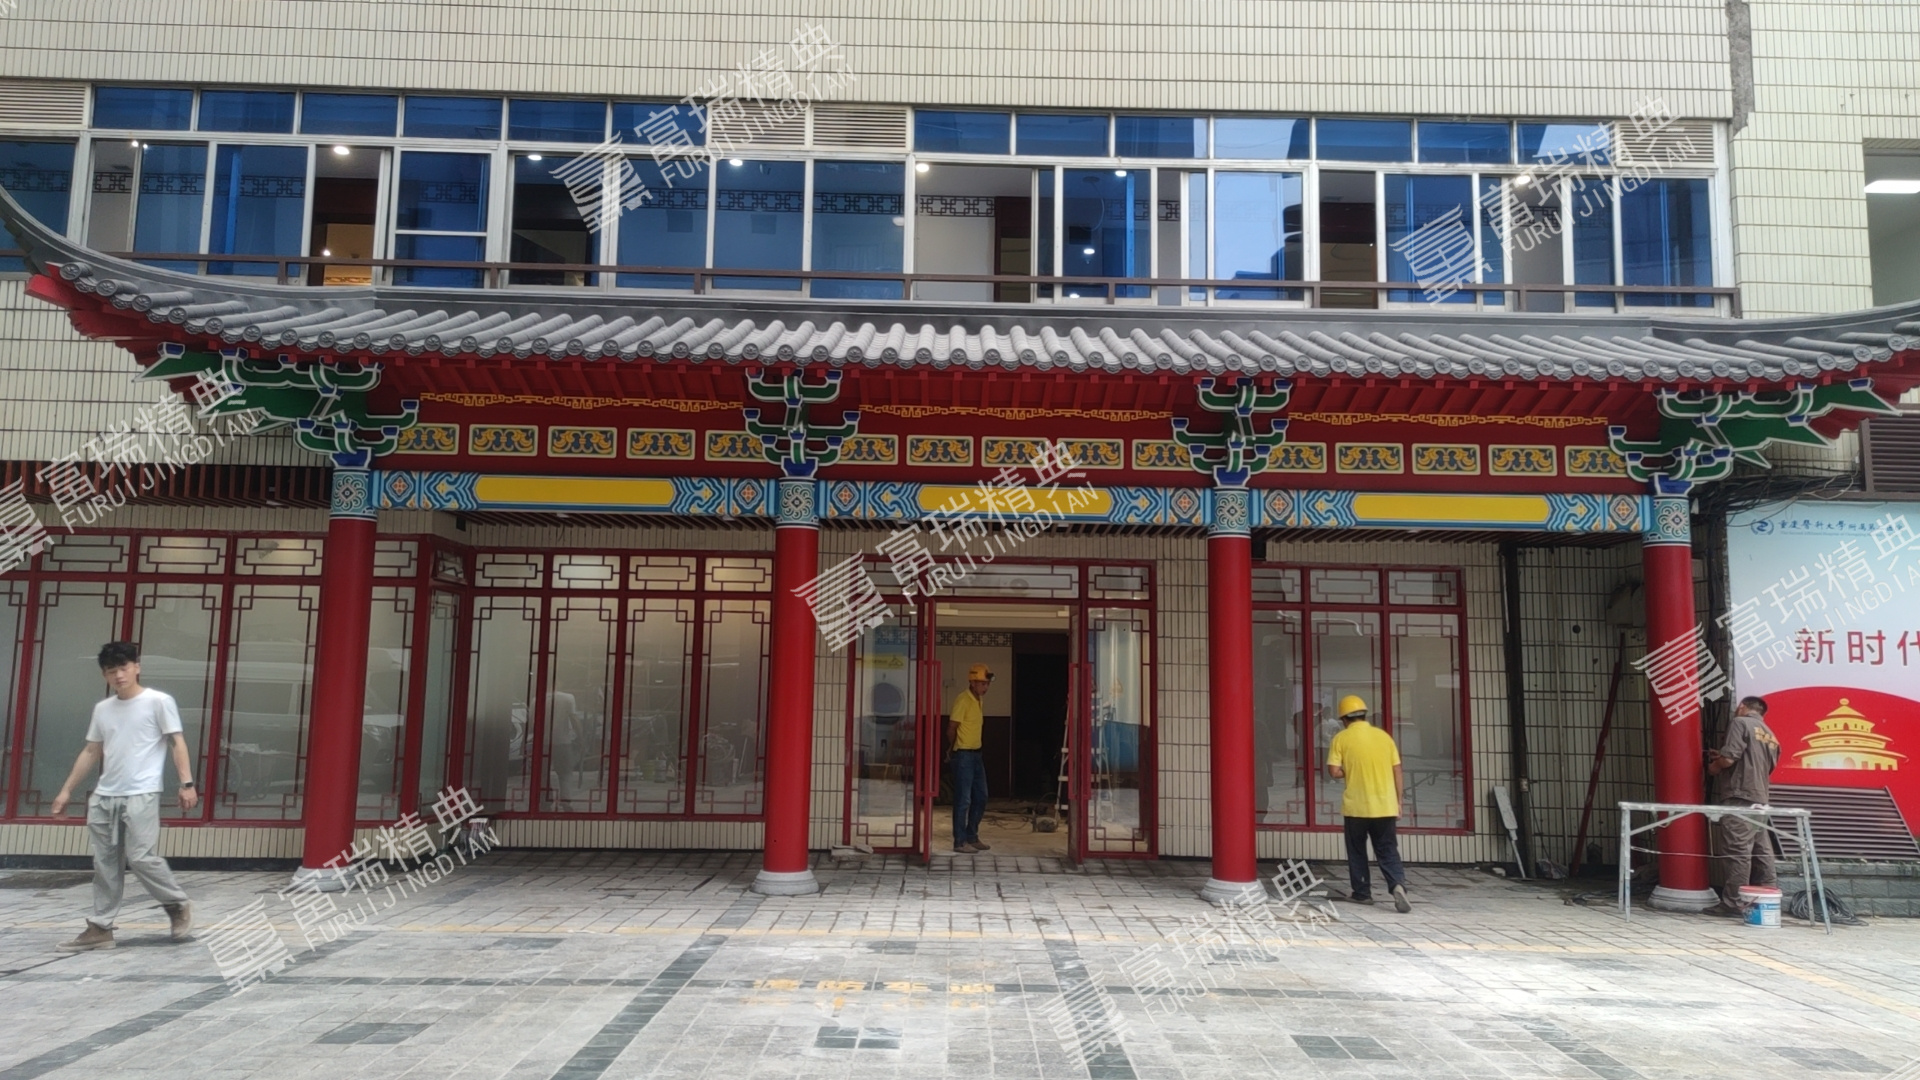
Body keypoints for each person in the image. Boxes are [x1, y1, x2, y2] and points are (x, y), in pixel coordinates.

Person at [49, 641, 196, 951]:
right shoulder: (103, 709)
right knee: (105, 864)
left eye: (123, 668)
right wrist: (66, 791)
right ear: (104, 674)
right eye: (111, 670)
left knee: (141, 857)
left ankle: (176, 903)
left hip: (142, 792)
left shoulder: (158, 701)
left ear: (137, 667)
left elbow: (177, 743)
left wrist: (187, 783)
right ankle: (101, 927)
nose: (118, 675)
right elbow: (91, 751)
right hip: (105, 796)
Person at [1326, 694, 1411, 913]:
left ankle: (1362, 893)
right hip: (1385, 805)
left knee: (1357, 850)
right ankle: (1397, 885)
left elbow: (1334, 771)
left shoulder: (1341, 738)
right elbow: (1397, 770)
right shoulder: (1384, 737)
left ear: (1344, 719)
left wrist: (1351, 769)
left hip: (1356, 807)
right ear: (1364, 715)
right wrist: (1399, 802)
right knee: (1388, 849)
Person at [1707, 695, 1782, 914]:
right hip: (1760, 797)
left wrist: (1715, 766)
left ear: (1741, 707)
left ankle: (1733, 903)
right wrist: (1723, 756)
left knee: (1737, 850)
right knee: (1761, 850)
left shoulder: (1740, 722)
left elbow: (1730, 759)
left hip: (1740, 795)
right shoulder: (1770, 734)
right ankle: (1767, 898)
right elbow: (1764, 765)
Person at [946, 663, 994, 854]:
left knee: (981, 797)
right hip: (964, 754)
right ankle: (959, 841)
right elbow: (951, 728)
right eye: (982, 683)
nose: (985, 687)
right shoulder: (963, 700)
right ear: (972, 683)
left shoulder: (978, 699)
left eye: (987, 684)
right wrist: (952, 748)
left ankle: (972, 836)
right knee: (963, 800)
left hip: (976, 754)